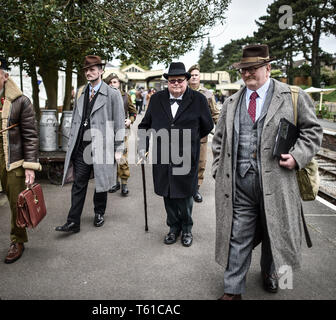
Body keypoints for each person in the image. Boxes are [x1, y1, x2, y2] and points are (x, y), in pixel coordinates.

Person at [211, 44, 322, 300]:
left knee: (275, 230)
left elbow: (313, 132)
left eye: (253, 69)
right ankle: (232, 290)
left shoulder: (293, 96)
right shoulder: (231, 102)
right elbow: (219, 140)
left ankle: (269, 271)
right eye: (243, 70)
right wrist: (218, 169)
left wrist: (297, 156)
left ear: (268, 68)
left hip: (278, 182)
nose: (248, 74)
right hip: (239, 184)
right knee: (237, 234)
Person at [0, 56, 41, 264]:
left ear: (5, 76)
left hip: (11, 157)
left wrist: (29, 166)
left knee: (16, 203)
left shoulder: (21, 101)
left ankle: (17, 241)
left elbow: (30, 136)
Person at [138, 62, 213, 247]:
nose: (177, 84)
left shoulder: (198, 99)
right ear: (167, 82)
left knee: (185, 194)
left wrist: (191, 140)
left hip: (187, 155)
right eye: (173, 81)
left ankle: (187, 228)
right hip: (162, 154)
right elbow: (144, 125)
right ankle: (173, 228)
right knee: (168, 193)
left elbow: (207, 126)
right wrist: (143, 147)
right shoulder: (156, 99)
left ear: (187, 80)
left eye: (180, 80)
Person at [56, 55, 125, 233]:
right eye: (86, 70)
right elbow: (76, 121)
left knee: (101, 182)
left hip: (102, 146)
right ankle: (73, 222)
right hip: (82, 146)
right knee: (79, 183)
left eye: (92, 69)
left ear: (101, 71)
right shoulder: (81, 92)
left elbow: (119, 122)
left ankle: (99, 212)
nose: (89, 72)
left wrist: (119, 148)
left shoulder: (113, 94)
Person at [187, 64, 220, 203]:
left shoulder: (208, 94)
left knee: (200, 162)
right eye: (192, 75)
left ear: (200, 77)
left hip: (201, 135)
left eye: (196, 75)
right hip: (184, 135)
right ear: (188, 78)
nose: (194, 77)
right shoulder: (182, 92)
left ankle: (196, 188)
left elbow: (215, 113)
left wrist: (222, 130)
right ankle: (186, 187)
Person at [105, 73, 137, 196]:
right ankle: (115, 182)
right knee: (110, 158)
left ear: (119, 84)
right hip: (107, 131)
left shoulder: (125, 96)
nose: (112, 84)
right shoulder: (104, 96)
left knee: (122, 157)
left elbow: (133, 112)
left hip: (122, 131)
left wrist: (130, 120)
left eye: (115, 82)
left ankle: (124, 184)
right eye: (110, 82)